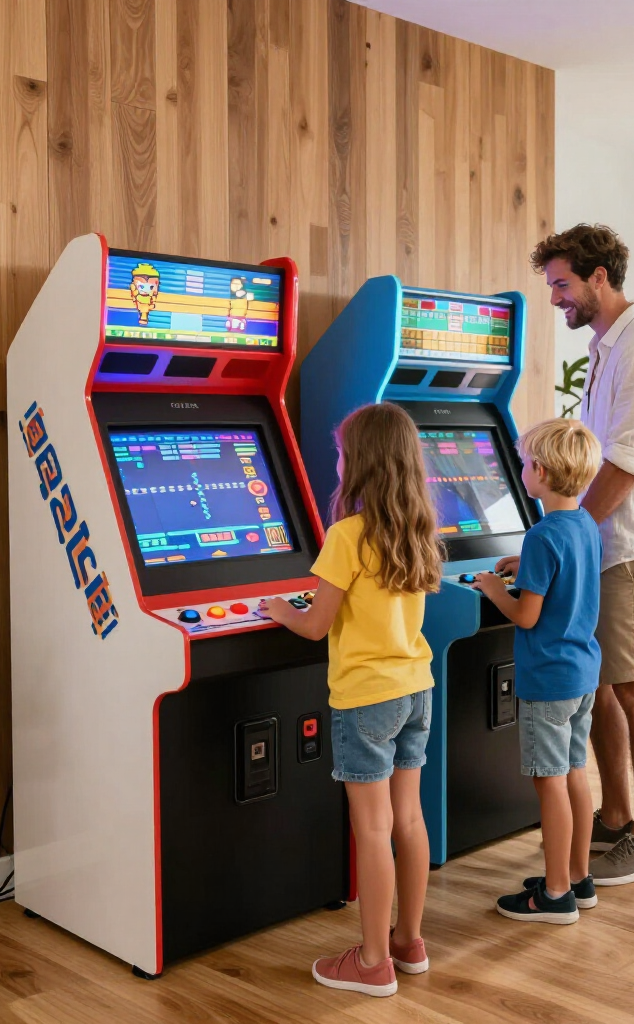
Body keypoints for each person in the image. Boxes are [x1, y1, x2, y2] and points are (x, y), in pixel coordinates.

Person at [265, 402, 442, 996]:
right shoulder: (419, 528)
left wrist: (280, 610)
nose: (337, 462)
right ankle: (407, 942)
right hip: (417, 688)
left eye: (341, 453)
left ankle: (370, 964)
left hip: (366, 698)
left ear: (359, 463)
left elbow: (317, 626)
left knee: (372, 828)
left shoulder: (347, 536)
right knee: (408, 819)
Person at [530, 224, 634, 886]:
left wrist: (570, 535)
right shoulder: (607, 347)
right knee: (602, 684)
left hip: (626, 543)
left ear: (599, 278)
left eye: (563, 284)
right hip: (601, 541)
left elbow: (625, 463)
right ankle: (618, 815)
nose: (557, 298)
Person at [471, 418, 603, 923]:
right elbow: (562, 574)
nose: (521, 471)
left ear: (541, 472)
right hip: (581, 671)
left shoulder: (542, 535)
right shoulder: (583, 524)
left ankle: (553, 895)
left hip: (547, 679)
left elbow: (526, 614)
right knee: (573, 772)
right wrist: (520, 563)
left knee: (548, 782)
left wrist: (492, 587)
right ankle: (576, 877)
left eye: (525, 464)